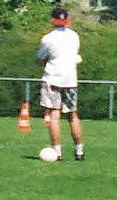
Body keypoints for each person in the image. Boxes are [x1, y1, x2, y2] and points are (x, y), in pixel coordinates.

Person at [37, 6, 84, 162]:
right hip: (71, 79)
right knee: (73, 115)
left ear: (53, 20)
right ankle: (79, 151)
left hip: (52, 79)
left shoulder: (48, 38)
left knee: (54, 115)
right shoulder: (74, 36)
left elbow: (41, 58)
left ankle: (57, 152)